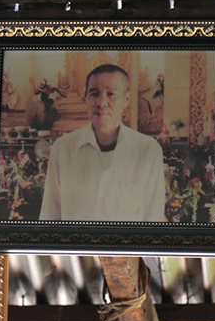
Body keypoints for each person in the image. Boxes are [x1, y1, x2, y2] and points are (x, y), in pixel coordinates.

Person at [39, 63, 166, 222]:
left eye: (111, 94)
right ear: (85, 98)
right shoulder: (63, 149)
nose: (101, 102)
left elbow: (153, 218)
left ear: (126, 100)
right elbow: (50, 215)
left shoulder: (147, 150)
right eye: (94, 93)